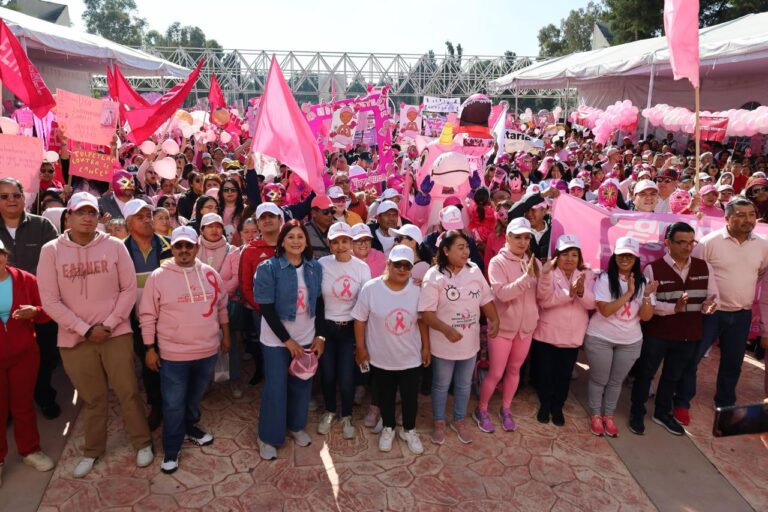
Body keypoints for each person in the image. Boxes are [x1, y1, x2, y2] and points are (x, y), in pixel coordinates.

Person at [37, 192, 153, 478]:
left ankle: (142, 442)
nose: (87, 218)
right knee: (93, 398)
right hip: (74, 340)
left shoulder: (114, 246)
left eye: (92, 213)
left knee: (128, 392)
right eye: (81, 212)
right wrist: (85, 329)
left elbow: (128, 289)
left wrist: (110, 324)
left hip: (115, 334)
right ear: (69, 216)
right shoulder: (51, 250)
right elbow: (49, 301)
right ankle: (93, 450)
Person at [139, 226, 231, 474]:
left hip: (207, 350)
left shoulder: (210, 274)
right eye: (178, 246)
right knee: (172, 403)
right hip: (174, 355)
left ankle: (190, 427)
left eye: (188, 246)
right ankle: (171, 448)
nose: (183, 250)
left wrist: (226, 336)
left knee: (194, 396)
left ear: (196, 248)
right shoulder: (158, 277)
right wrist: (149, 348)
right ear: (173, 249)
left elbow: (222, 306)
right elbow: (147, 315)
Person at [674, 198, 768, 424]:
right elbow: (692, 274)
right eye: (741, 215)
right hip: (710, 314)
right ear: (727, 218)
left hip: (741, 314)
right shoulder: (709, 243)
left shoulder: (763, 245)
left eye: (751, 214)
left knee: (733, 362)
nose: (748, 220)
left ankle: (725, 402)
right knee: (692, 359)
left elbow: (761, 273)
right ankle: (682, 401)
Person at [629, 222, 718, 436]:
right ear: (667, 243)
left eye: (691, 242)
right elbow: (647, 301)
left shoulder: (704, 267)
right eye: (681, 242)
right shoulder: (653, 268)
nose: (687, 247)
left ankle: (662, 413)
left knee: (672, 376)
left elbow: (713, 297)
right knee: (645, 374)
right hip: (658, 334)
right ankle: (636, 412)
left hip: (689, 334)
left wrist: (710, 306)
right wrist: (673, 308)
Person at [254, 220, 325, 460]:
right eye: (291, 237)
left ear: (306, 241)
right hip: (276, 341)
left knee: (302, 384)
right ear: (282, 241)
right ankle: (268, 436)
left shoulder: (314, 268)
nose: (296, 241)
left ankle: (296, 426)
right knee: (276, 387)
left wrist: (320, 335)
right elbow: (266, 307)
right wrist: (287, 340)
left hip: (306, 337)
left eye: (300, 237)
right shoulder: (268, 268)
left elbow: (319, 303)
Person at [420, 231, 498, 444]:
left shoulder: (474, 270)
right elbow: (426, 313)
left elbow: (485, 298)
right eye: (460, 247)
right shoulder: (434, 276)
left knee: (464, 385)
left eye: (467, 247)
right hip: (443, 343)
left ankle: (459, 420)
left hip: (469, 343)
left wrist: (494, 319)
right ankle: (439, 422)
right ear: (446, 250)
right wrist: (446, 329)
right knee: (441, 384)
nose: (466, 251)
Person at [352, 245, 429, 454]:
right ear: (389, 264)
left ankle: (409, 430)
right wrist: (361, 348)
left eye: (407, 265)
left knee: (410, 396)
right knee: (384, 395)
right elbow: (359, 320)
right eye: (398, 264)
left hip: (410, 356)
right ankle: (388, 427)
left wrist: (426, 348)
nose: (402, 269)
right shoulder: (371, 288)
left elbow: (422, 321)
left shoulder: (417, 289)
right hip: (381, 356)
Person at [584, 237, 657, 438]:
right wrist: (629, 294)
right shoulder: (606, 279)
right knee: (600, 379)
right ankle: (596, 415)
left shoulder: (645, 283)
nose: (625, 259)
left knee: (616, 381)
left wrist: (647, 296)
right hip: (600, 337)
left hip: (630, 341)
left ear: (636, 259)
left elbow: (646, 316)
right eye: (621, 254)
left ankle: (608, 415)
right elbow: (605, 311)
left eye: (630, 255)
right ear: (615, 256)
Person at [0, 178, 60, 418]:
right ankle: (9, 407)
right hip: (5, 310)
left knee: (45, 357)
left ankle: (43, 395)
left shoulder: (43, 225)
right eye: (4, 196)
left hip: (41, 303)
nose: (11, 200)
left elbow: (56, 262)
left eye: (16, 195)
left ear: (25, 198)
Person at [0, 240, 55, 484]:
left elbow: (46, 312)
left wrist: (35, 311)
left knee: (22, 405)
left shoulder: (25, 279)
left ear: (5, 255)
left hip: (24, 354)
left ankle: (30, 450)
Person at [477, 218, 538, 433]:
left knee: (514, 370)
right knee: (496, 373)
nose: (522, 242)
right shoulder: (497, 262)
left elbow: (540, 294)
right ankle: (482, 409)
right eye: (518, 237)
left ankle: (506, 408)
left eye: (526, 237)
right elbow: (502, 294)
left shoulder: (532, 261)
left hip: (525, 329)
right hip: (502, 329)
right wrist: (526, 277)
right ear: (508, 237)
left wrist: (547, 274)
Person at [531, 234, 596, 426]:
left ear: (579, 257)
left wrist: (581, 292)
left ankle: (558, 407)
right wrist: (570, 294)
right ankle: (545, 404)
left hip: (572, 335)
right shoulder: (549, 272)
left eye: (574, 254)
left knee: (564, 375)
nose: (569, 259)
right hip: (548, 334)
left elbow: (592, 303)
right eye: (565, 254)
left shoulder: (587, 274)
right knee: (545, 373)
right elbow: (543, 300)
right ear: (557, 256)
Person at [317, 222, 371, 439]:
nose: (341, 246)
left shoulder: (361, 267)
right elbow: (317, 300)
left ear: (351, 242)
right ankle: (330, 410)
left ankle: (346, 414)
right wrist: (318, 333)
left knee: (347, 376)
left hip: (350, 328)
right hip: (327, 328)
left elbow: (365, 302)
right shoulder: (321, 264)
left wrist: (362, 341)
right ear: (329, 244)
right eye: (336, 242)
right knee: (328, 374)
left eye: (345, 241)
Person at [123, 198, 173, 432]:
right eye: (140, 217)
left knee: (172, 361)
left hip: (170, 315)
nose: (146, 220)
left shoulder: (171, 245)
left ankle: (175, 403)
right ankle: (156, 405)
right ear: (128, 223)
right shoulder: (119, 249)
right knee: (148, 361)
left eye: (148, 216)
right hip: (135, 317)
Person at [196, 213, 241, 397]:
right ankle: (204, 382)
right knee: (204, 344)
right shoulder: (194, 248)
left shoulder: (232, 250)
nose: (214, 230)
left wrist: (215, 295)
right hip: (199, 307)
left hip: (227, 303)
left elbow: (236, 278)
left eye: (218, 226)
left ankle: (234, 380)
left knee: (231, 342)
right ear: (202, 229)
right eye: (209, 226)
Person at [239, 203, 284, 385]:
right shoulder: (249, 251)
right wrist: (264, 308)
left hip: (291, 311)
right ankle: (265, 375)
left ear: (280, 219)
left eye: (271, 216)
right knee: (266, 347)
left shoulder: (291, 244)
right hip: (262, 312)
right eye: (263, 218)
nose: (267, 221)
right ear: (258, 223)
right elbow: (246, 285)